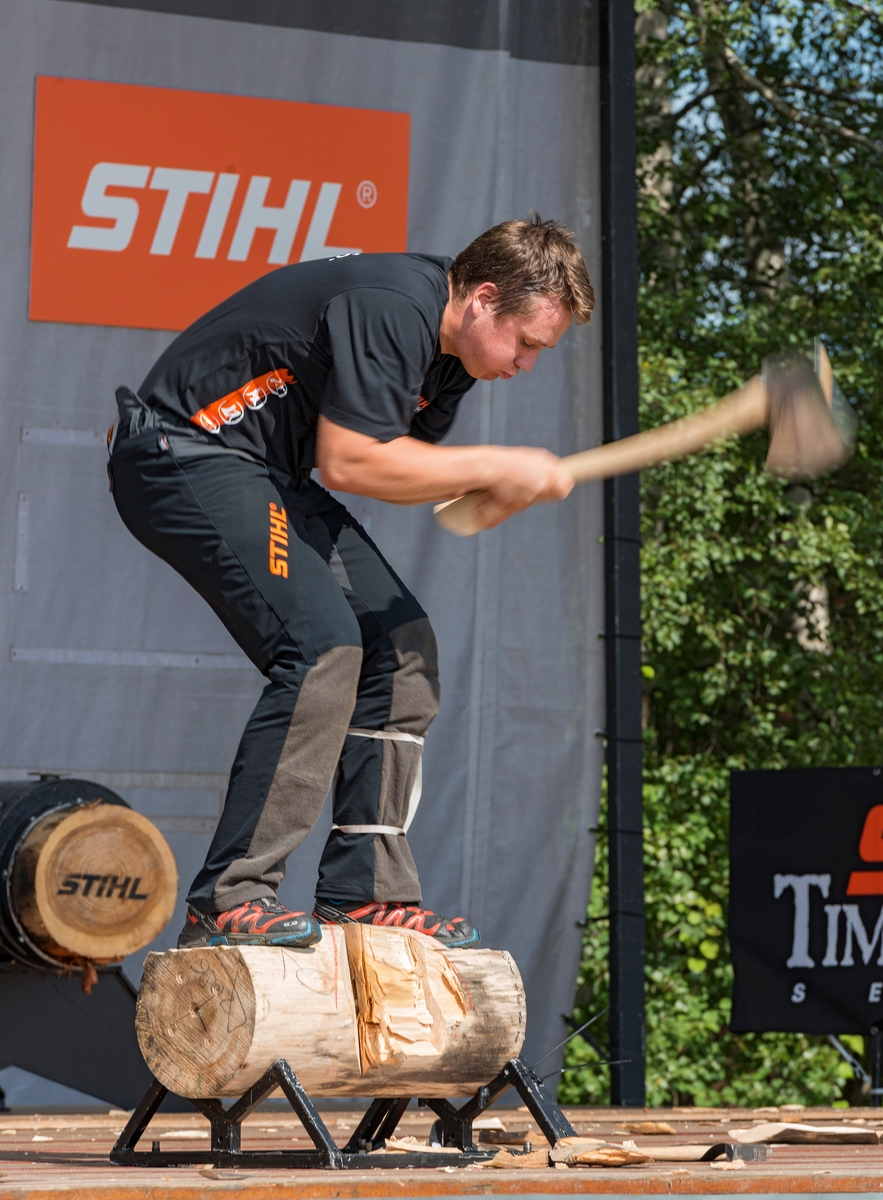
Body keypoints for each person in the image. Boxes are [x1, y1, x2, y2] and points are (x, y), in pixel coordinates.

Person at [107, 215, 595, 951]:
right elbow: (350, 464)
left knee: (402, 648)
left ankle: (365, 891)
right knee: (322, 646)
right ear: (482, 299)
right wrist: (495, 465)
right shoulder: (392, 306)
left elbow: (398, 465)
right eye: (526, 343)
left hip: (267, 474)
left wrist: (490, 490)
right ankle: (230, 899)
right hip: (184, 450)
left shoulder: (453, 356)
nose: (526, 363)